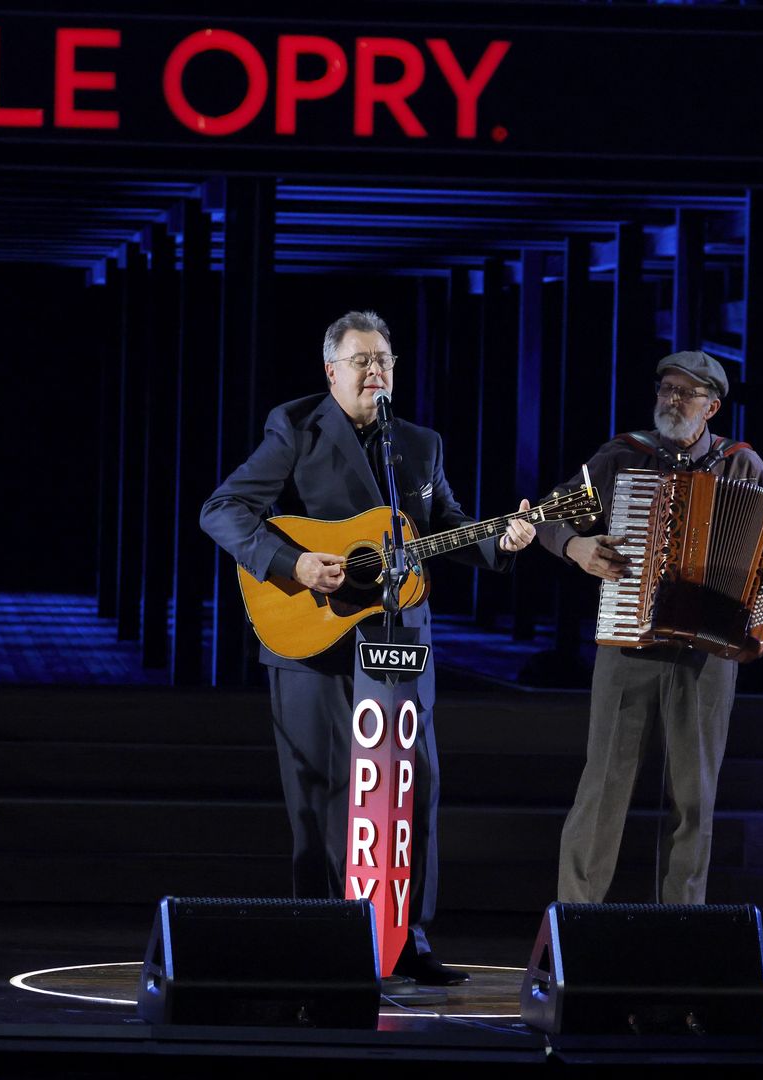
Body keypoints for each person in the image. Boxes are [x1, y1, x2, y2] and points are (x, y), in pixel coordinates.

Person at [199, 310, 533, 987]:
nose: (375, 370)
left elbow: (450, 526)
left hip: (400, 642)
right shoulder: (294, 428)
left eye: (384, 359)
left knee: (416, 785)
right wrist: (294, 566)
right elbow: (223, 509)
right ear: (332, 371)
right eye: (361, 360)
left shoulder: (419, 443)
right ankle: (324, 933)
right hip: (313, 642)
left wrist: (505, 539)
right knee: (322, 790)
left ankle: (405, 935)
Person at [536, 351, 763, 906]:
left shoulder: (741, 464)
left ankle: (682, 924)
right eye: (666, 389)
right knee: (603, 788)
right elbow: (548, 516)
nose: (672, 400)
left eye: (686, 393)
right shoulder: (622, 457)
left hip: (709, 651)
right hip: (628, 644)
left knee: (695, 795)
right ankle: (575, 919)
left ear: (712, 406)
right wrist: (577, 545)